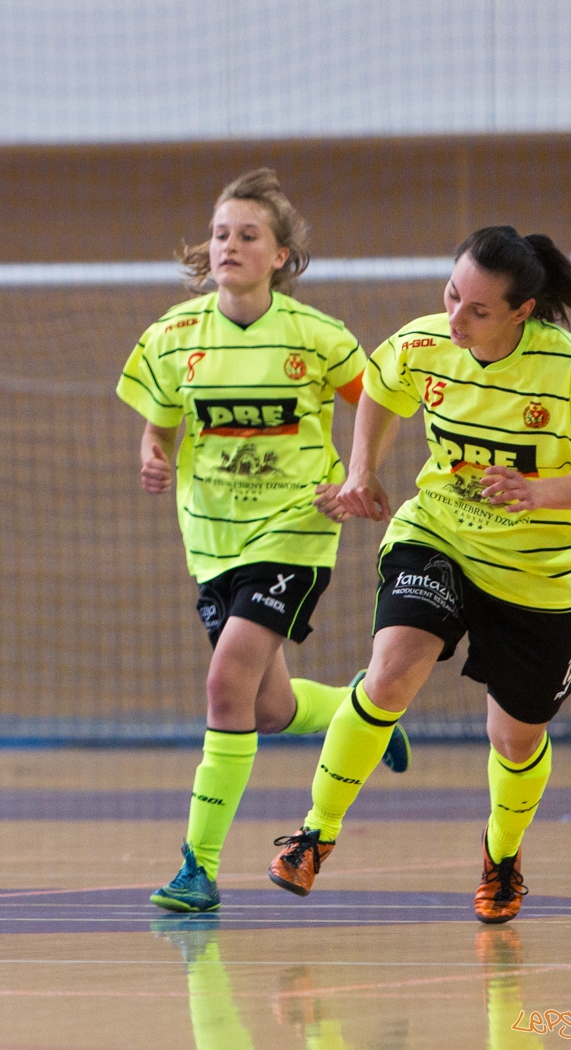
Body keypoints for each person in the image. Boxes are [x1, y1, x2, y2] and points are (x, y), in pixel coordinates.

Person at [267, 227, 571, 924]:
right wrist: (362, 472)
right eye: (451, 295)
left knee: (515, 738)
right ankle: (315, 833)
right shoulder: (426, 342)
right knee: (392, 669)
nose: (456, 318)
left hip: (537, 573)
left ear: (522, 310)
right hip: (438, 532)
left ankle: (502, 855)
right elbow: (382, 386)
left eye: (478, 309)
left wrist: (540, 492)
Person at [116, 168, 407, 914]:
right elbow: (161, 415)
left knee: (223, 685)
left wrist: (361, 472)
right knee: (268, 708)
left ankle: (197, 866)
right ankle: (360, 710)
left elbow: (378, 398)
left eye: (248, 235)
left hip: (295, 531)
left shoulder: (317, 337)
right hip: (212, 539)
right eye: (220, 233)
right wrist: (153, 448)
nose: (229, 246)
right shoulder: (174, 336)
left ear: (281, 255)